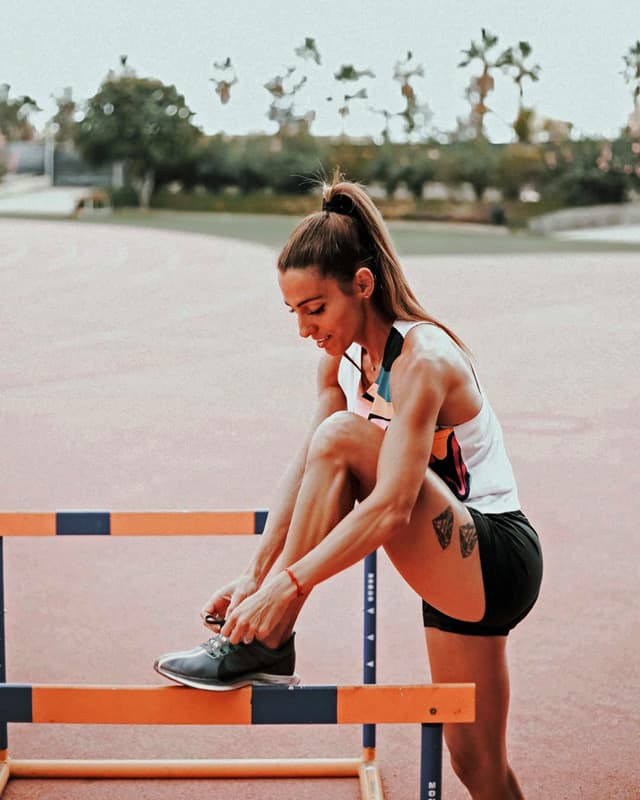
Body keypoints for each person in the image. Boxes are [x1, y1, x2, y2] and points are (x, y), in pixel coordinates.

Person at [155, 177, 543, 800]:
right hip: (449, 573)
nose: (306, 329)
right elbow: (310, 465)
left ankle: (270, 644)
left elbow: (390, 505)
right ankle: (267, 640)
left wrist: (285, 589)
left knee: (340, 435)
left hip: (494, 552)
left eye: (317, 309)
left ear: (362, 285)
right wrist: (255, 577)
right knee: (479, 768)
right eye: (295, 314)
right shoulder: (340, 364)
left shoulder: (425, 359)